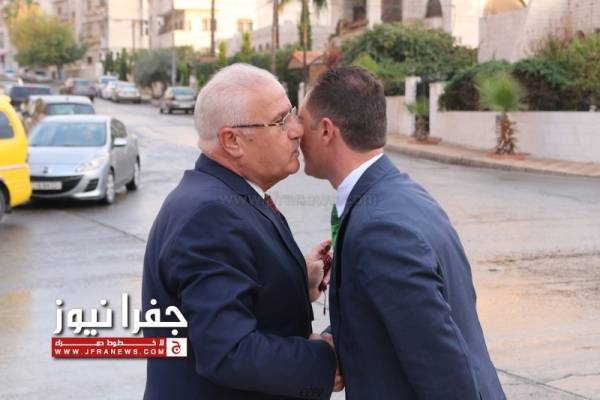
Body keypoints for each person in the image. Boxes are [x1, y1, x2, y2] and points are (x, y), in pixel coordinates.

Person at [299, 66, 506, 400]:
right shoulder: (398, 193)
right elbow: (393, 317)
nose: (294, 135)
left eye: (300, 123)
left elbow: (442, 369)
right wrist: (334, 341)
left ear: (326, 130)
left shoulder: (380, 228)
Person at [142, 63, 340, 400]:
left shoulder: (226, 195)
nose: (297, 130)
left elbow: (238, 288)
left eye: (292, 113)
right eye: (280, 121)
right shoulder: (210, 216)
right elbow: (228, 351)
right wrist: (324, 360)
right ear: (232, 141)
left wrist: (298, 279)